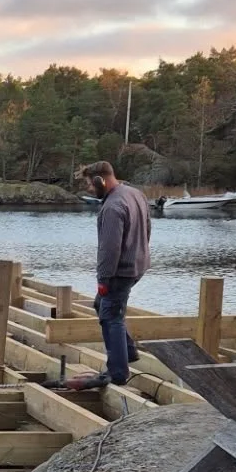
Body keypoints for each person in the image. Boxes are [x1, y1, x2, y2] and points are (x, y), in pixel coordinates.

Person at [79, 160, 152, 385]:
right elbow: (148, 227)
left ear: (101, 180)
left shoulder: (112, 207)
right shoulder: (134, 194)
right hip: (137, 266)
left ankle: (118, 373)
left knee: (111, 316)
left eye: (91, 184)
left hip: (119, 272)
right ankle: (128, 351)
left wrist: (103, 280)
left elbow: (109, 249)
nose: (90, 189)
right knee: (102, 305)